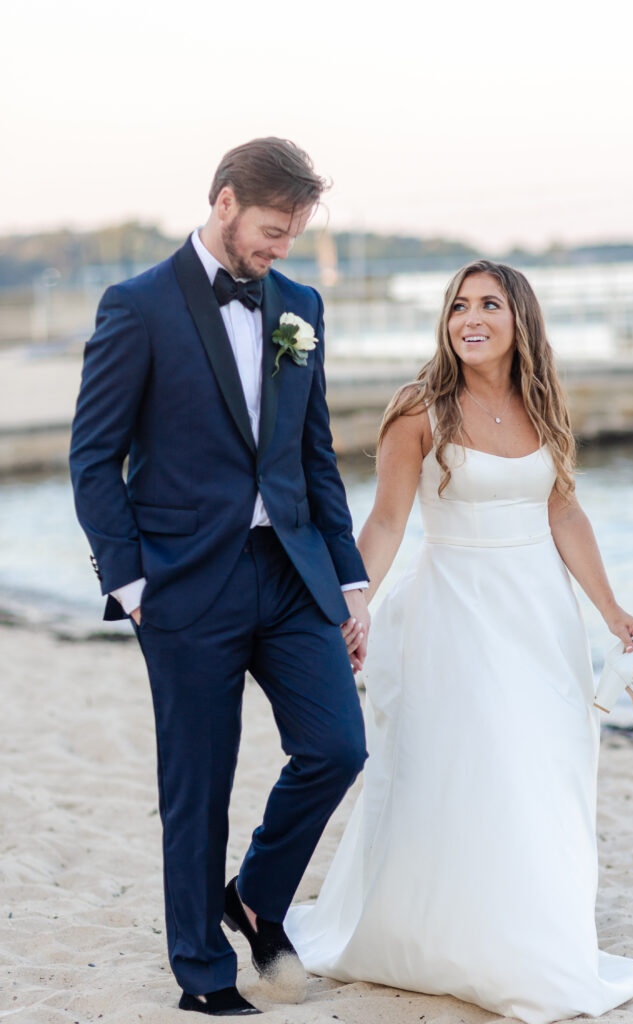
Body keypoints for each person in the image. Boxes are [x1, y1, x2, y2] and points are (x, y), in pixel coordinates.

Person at [286, 261, 633, 1024]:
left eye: (488, 304)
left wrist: (611, 609)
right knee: (480, 767)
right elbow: (385, 522)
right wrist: (354, 605)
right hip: (453, 613)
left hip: (541, 619)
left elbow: (563, 515)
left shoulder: (542, 405)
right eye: (458, 305)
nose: (469, 317)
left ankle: (530, 934)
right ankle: (458, 937)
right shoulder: (419, 409)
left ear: (520, 319)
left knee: (547, 771)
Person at [69, 137, 370, 1017]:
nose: (280, 247)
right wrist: (131, 587)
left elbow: (314, 459)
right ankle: (202, 974)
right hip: (182, 585)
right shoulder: (138, 306)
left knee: (336, 747)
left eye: (294, 232)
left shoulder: (300, 306)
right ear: (227, 202)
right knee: (196, 785)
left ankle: (255, 895)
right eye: (274, 229)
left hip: (290, 573)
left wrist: (348, 579)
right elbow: (93, 460)